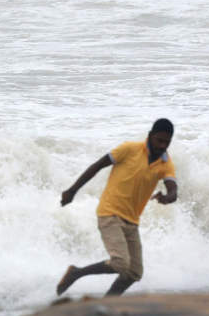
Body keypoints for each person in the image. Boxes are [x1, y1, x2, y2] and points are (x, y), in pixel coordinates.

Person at [56, 118, 178, 297]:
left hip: (132, 221)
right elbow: (97, 166)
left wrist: (167, 198)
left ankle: (108, 301)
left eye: (167, 142)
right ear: (150, 136)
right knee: (120, 263)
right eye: (159, 140)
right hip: (110, 212)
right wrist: (72, 190)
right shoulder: (129, 149)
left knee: (134, 272)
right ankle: (76, 273)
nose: (162, 146)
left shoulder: (165, 163)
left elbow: (173, 190)